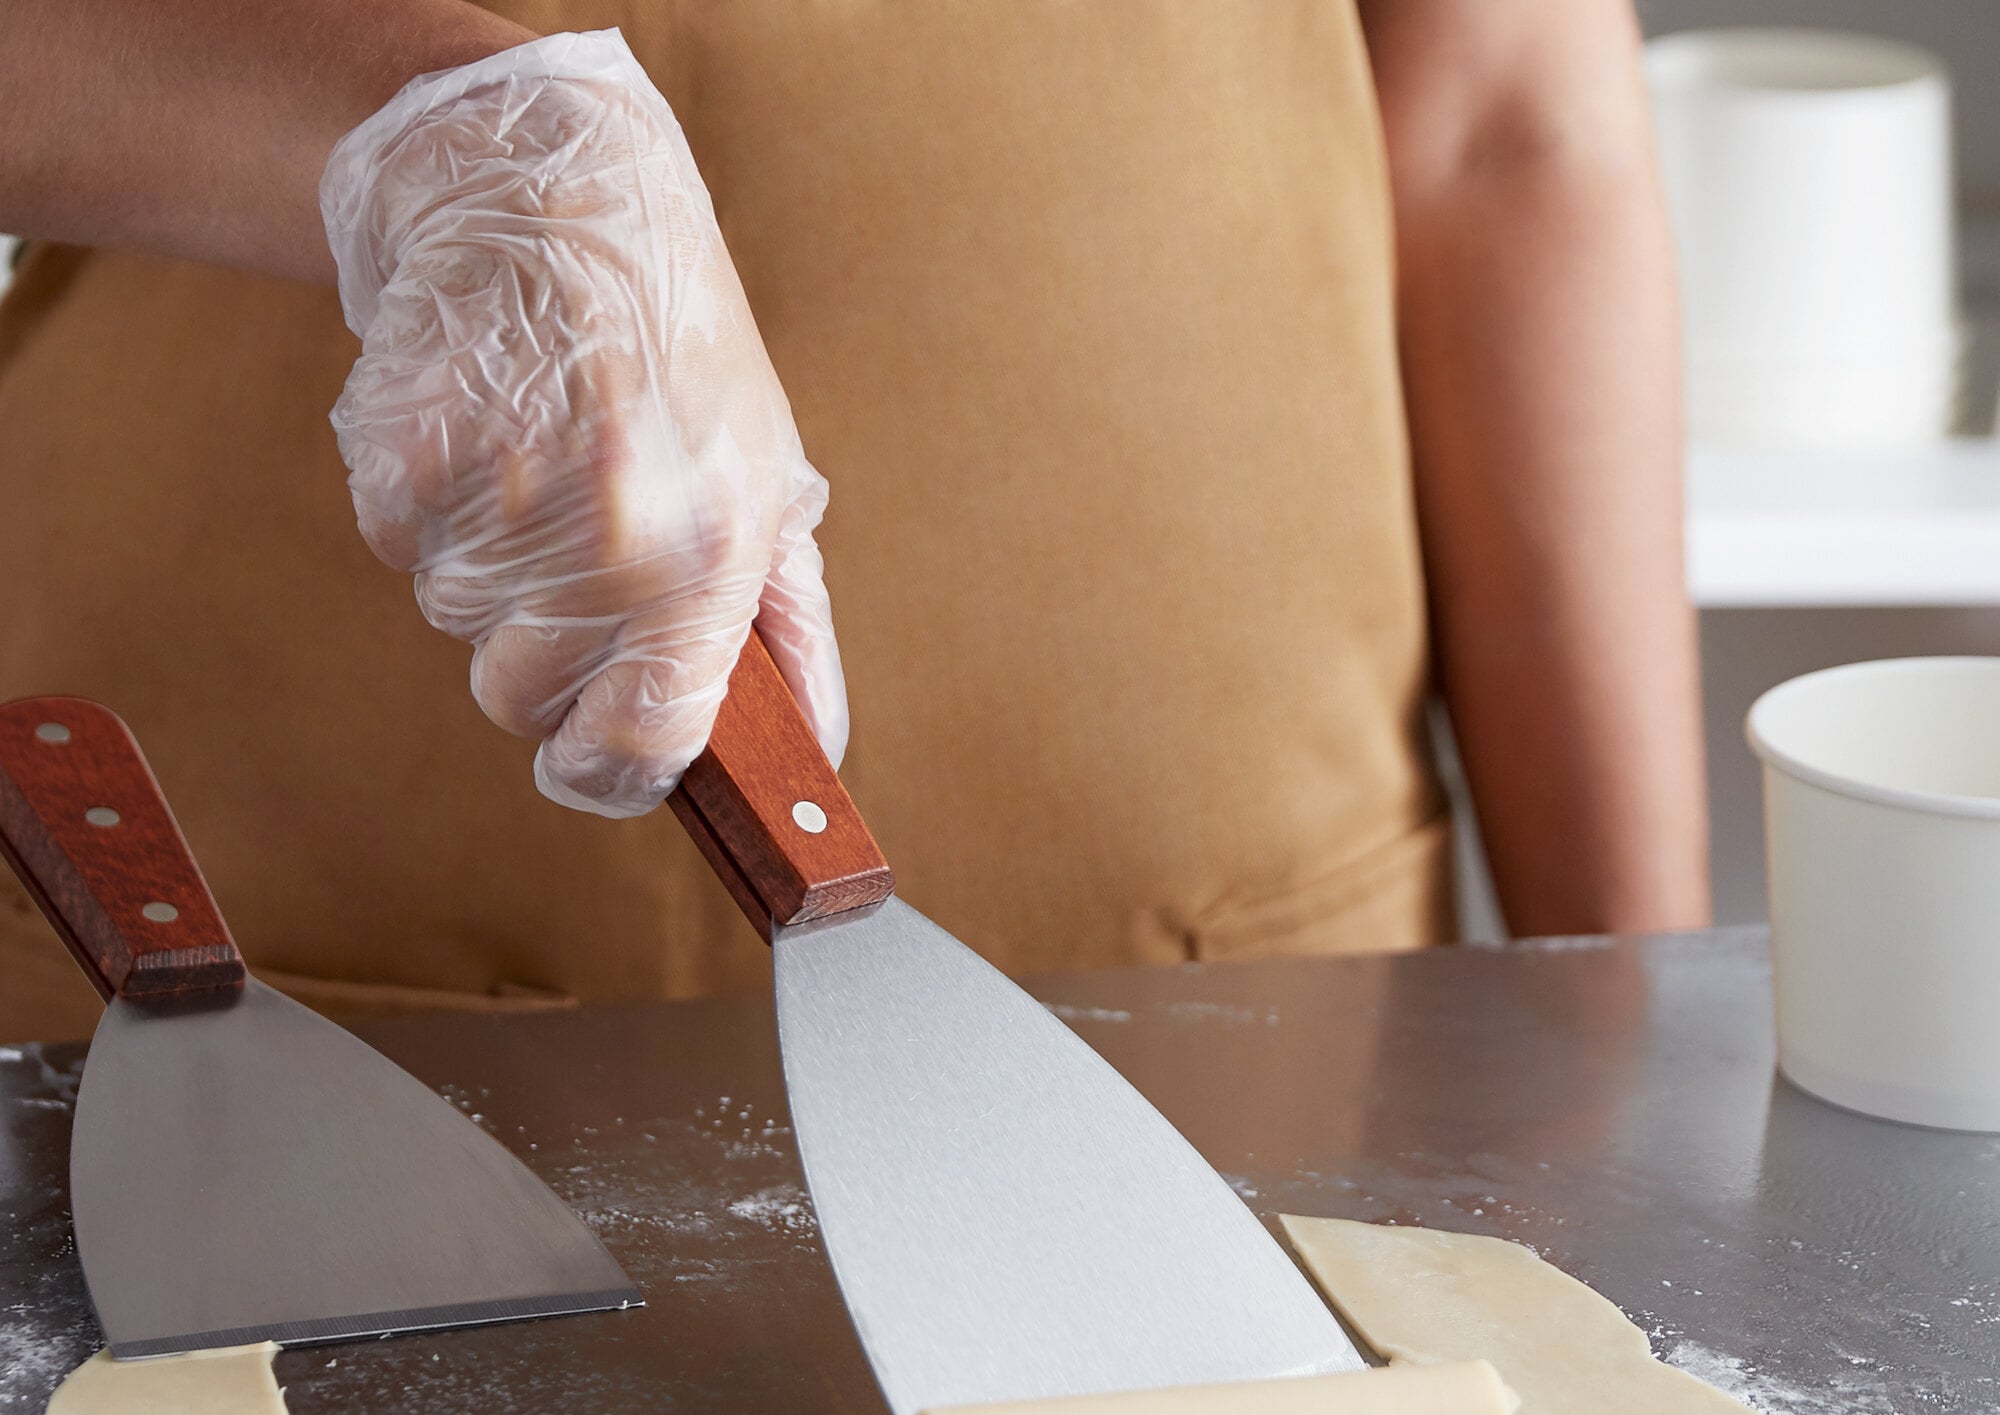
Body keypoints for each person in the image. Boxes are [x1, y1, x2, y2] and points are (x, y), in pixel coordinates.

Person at [0, 0, 1707, 1042]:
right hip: (259, 938)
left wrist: (1636, 1010)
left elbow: (1506, 124)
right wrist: (421, 123)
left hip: (1246, 973)